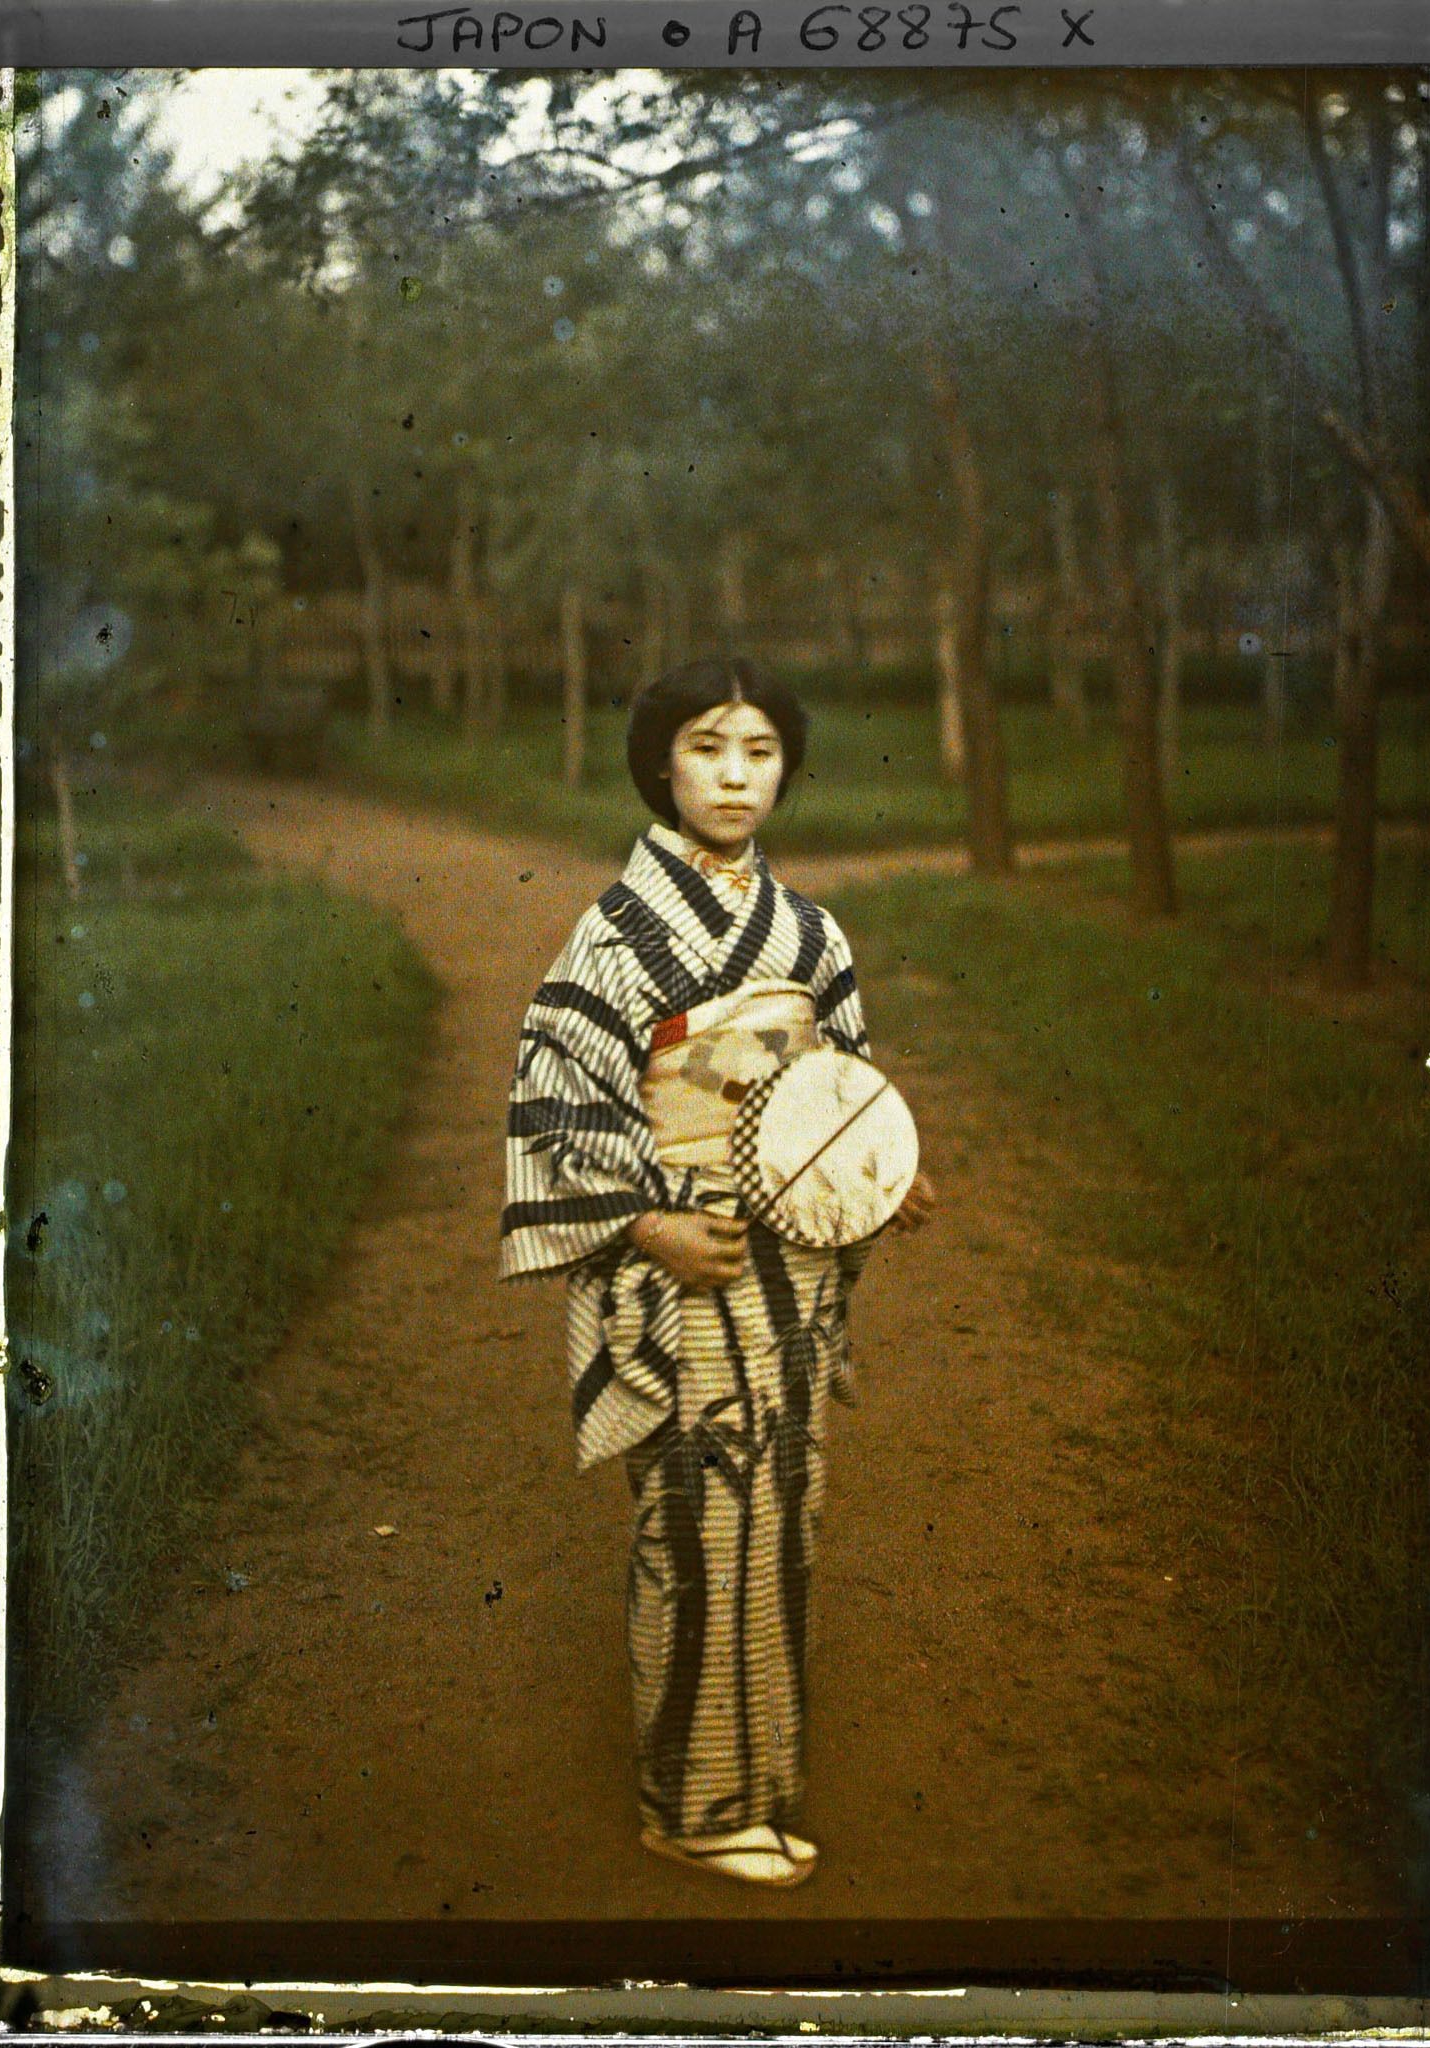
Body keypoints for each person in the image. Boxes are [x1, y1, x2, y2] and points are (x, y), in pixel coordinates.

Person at [500, 656, 936, 1889]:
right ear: (660, 762)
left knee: (780, 1517)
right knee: (693, 1524)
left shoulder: (809, 931)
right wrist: (647, 1224)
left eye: (758, 748)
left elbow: (841, 1089)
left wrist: (882, 1176)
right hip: (683, 1269)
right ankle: (687, 1803)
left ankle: (755, 1783)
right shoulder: (614, 931)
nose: (735, 772)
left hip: (787, 1271)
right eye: (707, 746)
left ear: (786, 765)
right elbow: (554, 1100)